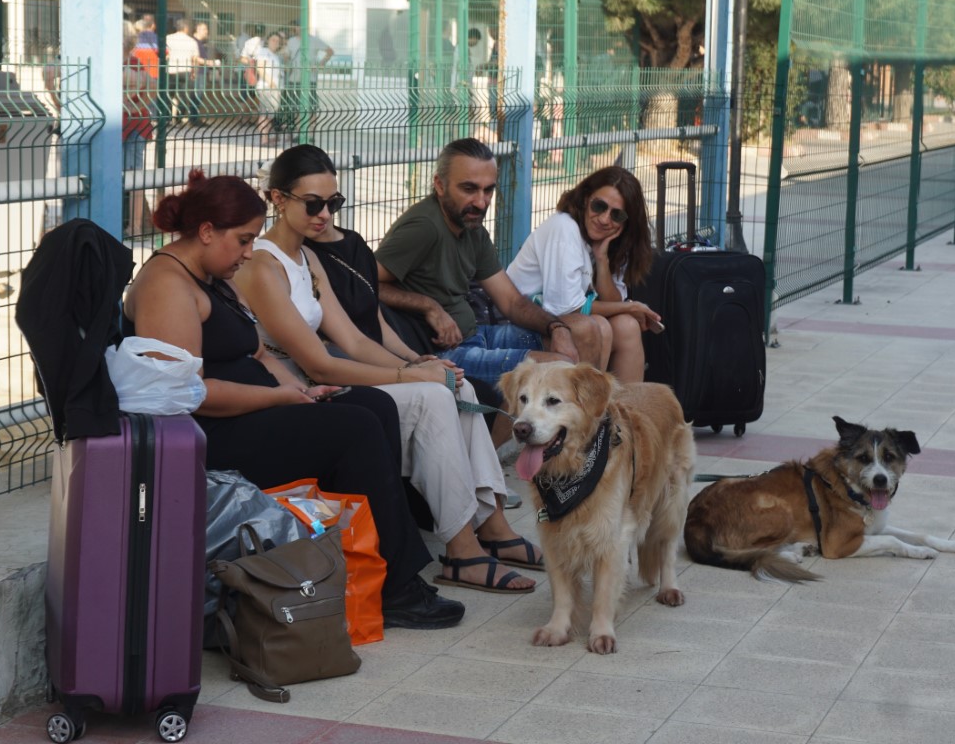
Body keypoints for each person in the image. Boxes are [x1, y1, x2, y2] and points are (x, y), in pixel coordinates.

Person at [123, 168, 464, 629]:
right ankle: (396, 588)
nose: (249, 253)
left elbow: (258, 351)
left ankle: (369, 567)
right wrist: (278, 399)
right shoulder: (168, 285)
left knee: (373, 406)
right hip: (212, 436)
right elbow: (191, 394)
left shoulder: (211, 274)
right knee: (354, 430)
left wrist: (302, 391)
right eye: (243, 241)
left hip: (254, 411)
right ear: (206, 232)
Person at [231, 144, 543, 593]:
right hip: (303, 390)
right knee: (434, 397)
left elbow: (356, 339)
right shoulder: (263, 264)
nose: (324, 215)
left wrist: (418, 362)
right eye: (313, 204)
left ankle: (491, 526)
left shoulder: (308, 257)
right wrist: (409, 376)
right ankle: (461, 552)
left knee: (459, 389)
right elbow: (317, 362)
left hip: (328, 377)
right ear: (278, 199)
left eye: (333, 203)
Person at [375, 138, 604, 390]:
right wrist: (429, 306)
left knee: (584, 329)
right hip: (445, 356)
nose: (481, 202)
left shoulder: (472, 227)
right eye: (469, 189)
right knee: (554, 366)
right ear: (439, 185)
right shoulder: (424, 228)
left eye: (488, 190)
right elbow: (364, 284)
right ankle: (519, 429)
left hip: (477, 335)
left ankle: (587, 425)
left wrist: (557, 327)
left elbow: (512, 302)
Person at [506, 166, 660, 383]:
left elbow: (612, 301)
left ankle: (626, 414)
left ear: (627, 222)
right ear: (586, 199)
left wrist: (602, 260)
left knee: (626, 326)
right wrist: (630, 307)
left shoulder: (609, 242)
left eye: (617, 215)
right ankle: (589, 412)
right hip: (519, 328)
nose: (605, 219)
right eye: (599, 206)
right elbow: (569, 308)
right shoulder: (564, 228)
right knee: (600, 327)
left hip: (558, 324)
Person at [122, 28, 155, 235]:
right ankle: (132, 224)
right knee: (131, 176)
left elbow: (149, 88)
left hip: (132, 127)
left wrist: (128, 107)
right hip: (129, 125)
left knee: (133, 177)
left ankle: (134, 226)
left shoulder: (132, 65)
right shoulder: (132, 64)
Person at [281, 19, 334, 133]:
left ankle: (310, 133)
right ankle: (299, 132)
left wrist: (320, 65)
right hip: (294, 79)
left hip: (310, 79)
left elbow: (330, 51)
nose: (297, 29)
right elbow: (287, 56)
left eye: (300, 26)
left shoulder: (314, 40)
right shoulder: (291, 41)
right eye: (296, 27)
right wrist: (286, 57)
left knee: (311, 107)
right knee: (295, 107)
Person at [165, 19, 205, 127]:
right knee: (183, 95)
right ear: (186, 28)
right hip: (185, 70)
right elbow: (195, 58)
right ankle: (179, 118)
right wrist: (194, 72)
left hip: (171, 70)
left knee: (168, 94)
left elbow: (165, 55)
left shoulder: (168, 38)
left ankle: (167, 119)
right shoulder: (191, 41)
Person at [251, 32, 285, 147]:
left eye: (277, 41)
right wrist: (270, 81)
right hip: (267, 87)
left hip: (275, 88)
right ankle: (264, 139)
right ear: (268, 40)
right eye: (273, 40)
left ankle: (266, 137)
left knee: (270, 114)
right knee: (265, 113)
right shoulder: (264, 52)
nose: (275, 42)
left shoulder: (275, 55)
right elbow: (260, 67)